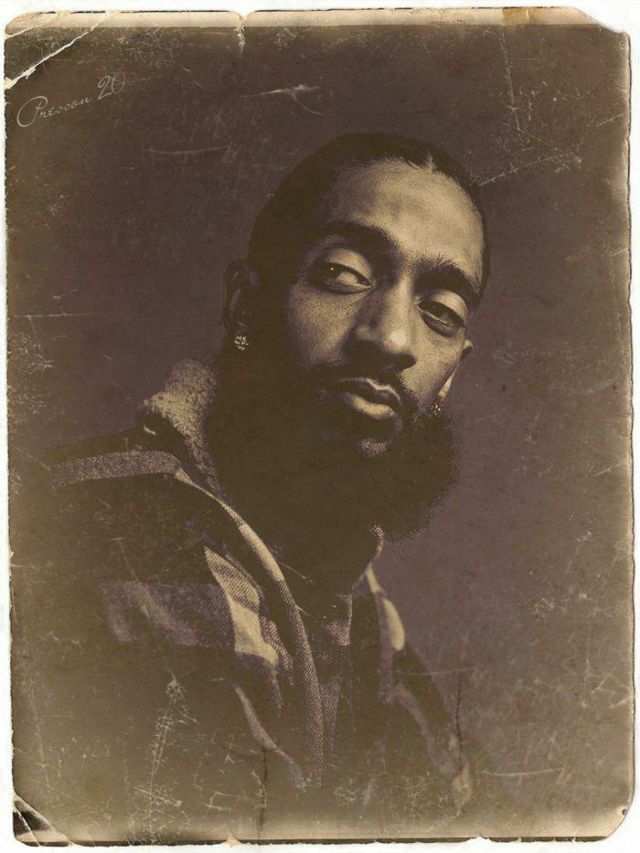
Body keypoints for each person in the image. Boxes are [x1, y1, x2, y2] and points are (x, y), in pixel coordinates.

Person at [11, 133, 496, 843]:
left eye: (441, 311)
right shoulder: (89, 532)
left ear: (450, 374)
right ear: (245, 305)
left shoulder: (365, 617)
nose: (393, 338)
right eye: (344, 273)